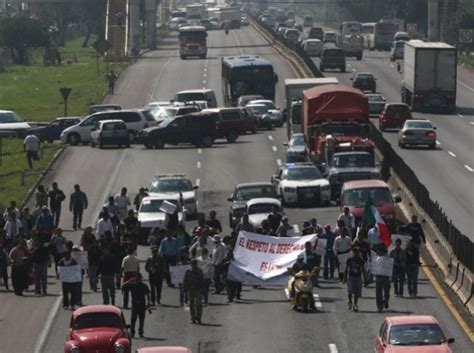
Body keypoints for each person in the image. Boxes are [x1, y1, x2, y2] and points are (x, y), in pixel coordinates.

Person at [122, 272, 150, 338]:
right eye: (136, 278)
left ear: (141, 278)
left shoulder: (144, 285)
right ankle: (132, 333)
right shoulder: (132, 285)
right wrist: (129, 280)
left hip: (142, 304)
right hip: (134, 304)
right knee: (133, 320)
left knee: (141, 319)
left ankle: (141, 332)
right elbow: (123, 285)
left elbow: (148, 294)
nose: (137, 279)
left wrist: (148, 303)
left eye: (139, 278)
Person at [343, 247, 365, 312]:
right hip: (351, 277)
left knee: (356, 291)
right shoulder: (350, 260)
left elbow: (363, 269)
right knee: (350, 290)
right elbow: (346, 269)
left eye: (357, 251)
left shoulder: (361, 260)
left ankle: (355, 304)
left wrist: (365, 278)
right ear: (353, 252)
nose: (356, 253)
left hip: (358, 277)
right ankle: (350, 301)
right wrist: (344, 278)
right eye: (355, 251)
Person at [183, 259, 204, 324]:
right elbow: (185, 281)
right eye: (192, 264)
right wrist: (185, 289)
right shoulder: (188, 271)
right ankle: (193, 318)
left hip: (198, 289)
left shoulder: (200, 271)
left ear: (196, 264)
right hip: (190, 290)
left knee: (198, 304)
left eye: (194, 264)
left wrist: (202, 290)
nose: (193, 265)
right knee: (191, 304)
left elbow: (202, 281)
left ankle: (199, 317)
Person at [374, 245, 391, 312]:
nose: (378, 253)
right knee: (378, 292)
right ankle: (379, 307)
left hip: (386, 277)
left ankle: (385, 300)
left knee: (386, 291)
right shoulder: (375, 259)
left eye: (379, 251)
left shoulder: (388, 259)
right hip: (378, 277)